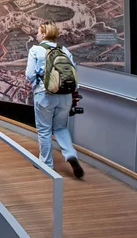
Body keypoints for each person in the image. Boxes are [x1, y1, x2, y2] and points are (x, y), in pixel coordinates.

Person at [26, 21, 84, 178]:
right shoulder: (64, 50)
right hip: (65, 96)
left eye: (38, 32)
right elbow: (72, 72)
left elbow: (29, 75)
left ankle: (46, 164)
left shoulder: (35, 50)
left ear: (44, 34)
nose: (36, 34)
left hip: (44, 95)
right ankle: (71, 154)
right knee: (61, 128)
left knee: (44, 130)